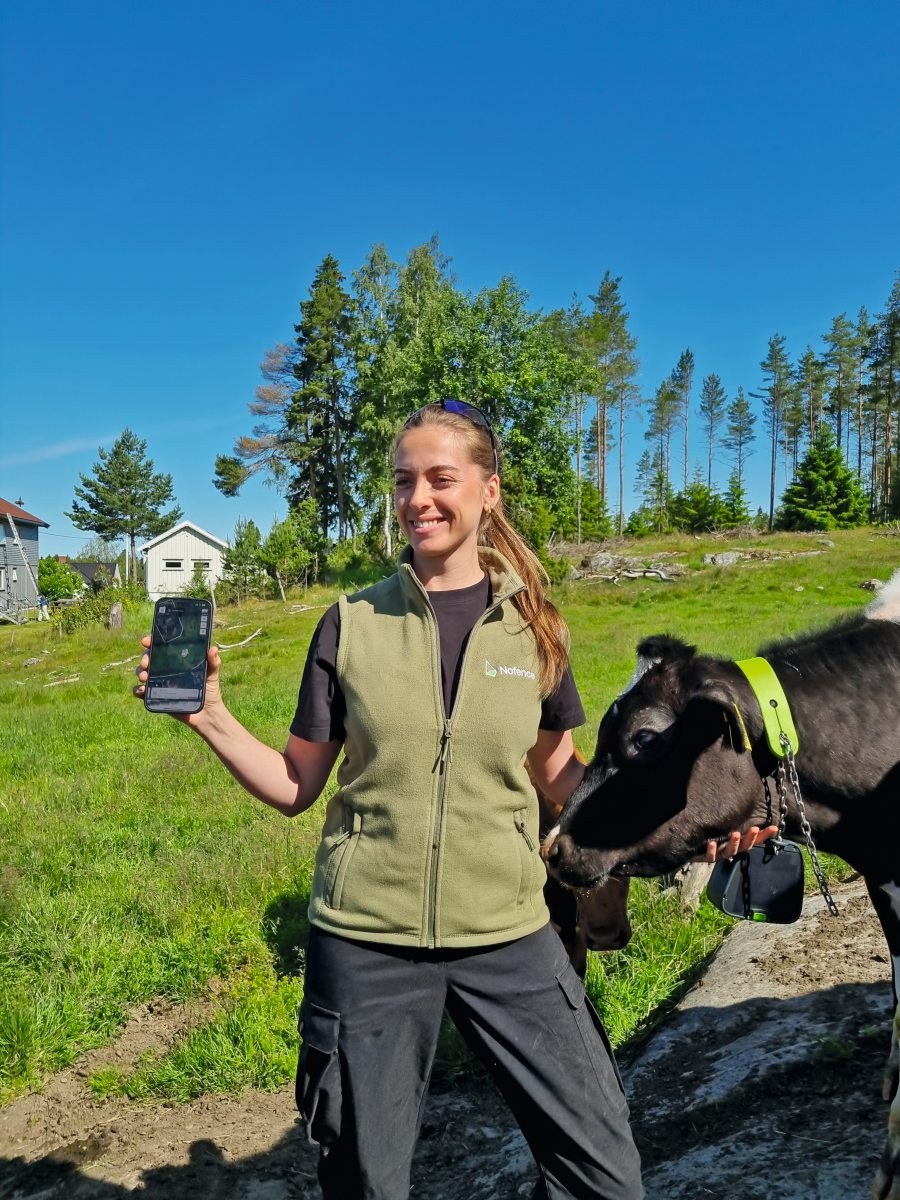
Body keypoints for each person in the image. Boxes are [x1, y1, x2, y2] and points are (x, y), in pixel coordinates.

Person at [134, 399, 772, 1200]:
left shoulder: (536, 628)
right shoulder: (349, 624)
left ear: (488, 492)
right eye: (404, 482)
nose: (419, 500)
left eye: (441, 478)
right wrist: (212, 718)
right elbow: (297, 785)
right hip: (365, 941)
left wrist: (678, 822)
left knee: (602, 1170)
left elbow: (561, 778)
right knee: (367, 1182)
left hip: (508, 931)